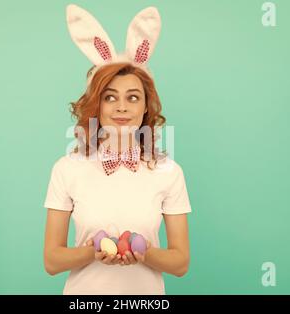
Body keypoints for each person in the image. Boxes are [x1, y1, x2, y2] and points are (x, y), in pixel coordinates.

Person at [43, 4, 193, 295]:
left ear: (145, 106)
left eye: (133, 97)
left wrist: (146, 252)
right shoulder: (67, 168)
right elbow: (51, 260)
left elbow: (181, 263)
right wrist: (92, 252)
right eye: (110, 97)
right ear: (96, 105)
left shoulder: (169, 172)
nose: (122, 106)